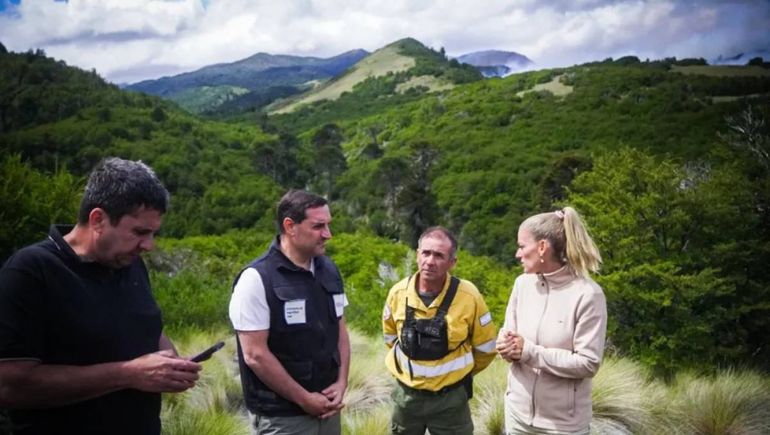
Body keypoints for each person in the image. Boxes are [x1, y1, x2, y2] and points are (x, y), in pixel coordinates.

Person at [0, 157, 201, 435]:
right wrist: (129, 374)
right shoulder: (31, 271)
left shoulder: (129, 264)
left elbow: (149, 326)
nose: (149, 245)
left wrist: (173, 365)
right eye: (140, 232)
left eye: (154, 233)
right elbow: (10, 386)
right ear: (98, 220)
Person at [229, 190, 350, 435]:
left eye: (328, 225)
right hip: (283, 418)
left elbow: (340, 330)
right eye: (318, 226)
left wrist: (341, 383)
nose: (328, 234)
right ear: (290, 226)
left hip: (329, 410)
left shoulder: (329, 270)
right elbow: (255, 354)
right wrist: (304, 399)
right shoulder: (256, 279)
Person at [496, 207, 607, 435]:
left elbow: (588, 363)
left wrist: (529, 351)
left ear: (542, 247)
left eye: (521, 246)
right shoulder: (522, 284)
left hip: (563, 427)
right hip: (516, 416)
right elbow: (509, 332)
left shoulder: (588, 295)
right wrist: (504, 344)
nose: (517, 254)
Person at [382, 226, 498, 435]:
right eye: (425, 253)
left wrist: (460, 375)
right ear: (417, 255)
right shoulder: (398, 292)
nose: (429, 261)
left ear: (452, 262)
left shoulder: (468, 296)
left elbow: (486, 347)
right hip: (406, 398)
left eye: (439, 255)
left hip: (451, 400)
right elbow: (390, 337)